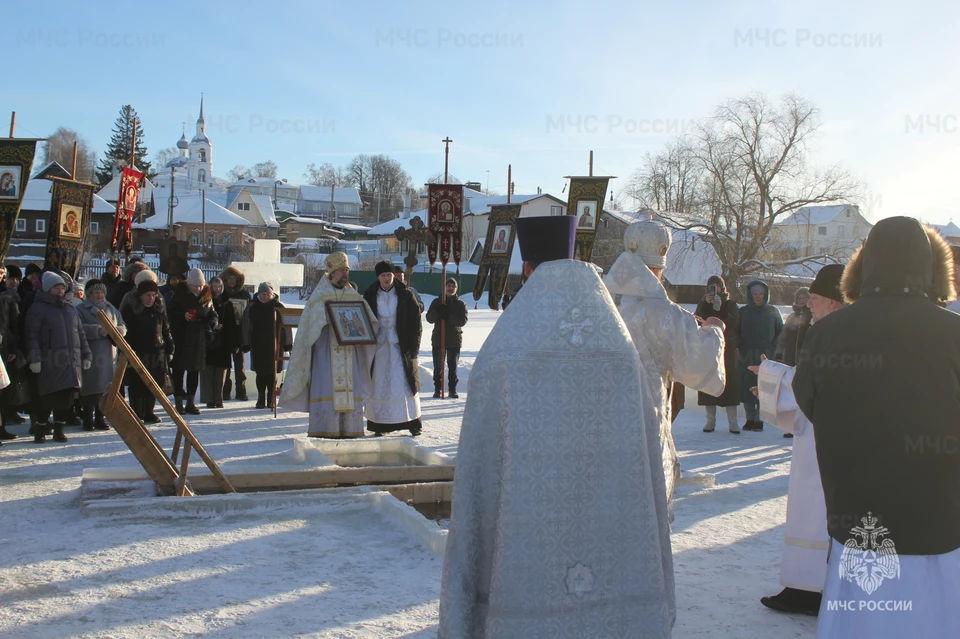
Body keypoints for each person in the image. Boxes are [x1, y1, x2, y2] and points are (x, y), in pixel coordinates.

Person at [440, 215, 675, 638]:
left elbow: (480, 449)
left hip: (528, 511)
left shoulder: (507, 344)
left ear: (528, 268)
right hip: (608, 507)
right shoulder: (616, 342)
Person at [793, 218, 960, 636]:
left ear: (864, 265)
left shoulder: (827, 333)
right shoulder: (953, 333)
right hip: (937, 517)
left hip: (860, 521)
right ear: (930, 266)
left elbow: (808, 399)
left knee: (861, 620)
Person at [604, 219, 726, 510]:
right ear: (658, 266)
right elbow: (699, 367)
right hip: (644, 423)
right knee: (643, 505)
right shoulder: (667, 314)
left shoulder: (598, 302)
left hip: (599, 426)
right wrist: (715, 331)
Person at [748, 265, 845, 616]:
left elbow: (814, 384)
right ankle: (811, 587)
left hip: (823, 440)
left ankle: (809, 590)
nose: (811, 305)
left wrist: (772, 375)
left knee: (814, 508)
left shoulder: (835, 331)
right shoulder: (839, 329)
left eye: (816, 299)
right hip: (828, 435)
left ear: (833, 301)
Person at [280, 252, 376, 438]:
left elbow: (369, 322)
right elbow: (309, 328)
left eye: (346, 270)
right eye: (341, 271)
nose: (345, 274)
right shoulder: (318, 298)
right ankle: (325, 429)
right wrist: (328, 318)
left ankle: (351, 429)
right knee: (327, 388)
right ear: (331, 272)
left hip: (350, 351)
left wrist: (361, 331)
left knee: (351, 389)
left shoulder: (353, 295)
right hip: (326, 351)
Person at [24, 272, 91, 443]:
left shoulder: (69, 308)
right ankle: (40, 428)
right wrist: (35, 359)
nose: (60, 290)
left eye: (62, 287)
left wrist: (86, 355)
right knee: (47, 397)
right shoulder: (38, 308)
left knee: (65, 398)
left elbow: (80, 333)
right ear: (48, 288)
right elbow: (31, 335)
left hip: (70, 361)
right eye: (56, 287)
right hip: (49, 360)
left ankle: (59, 430)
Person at [362, 261, 423, 437]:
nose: (387, 278)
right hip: (379, 346)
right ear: (378, 277)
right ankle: (379, 424)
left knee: (403, 383)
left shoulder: (405, 294)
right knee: (379, 383)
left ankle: (413, 422)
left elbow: (416, 322)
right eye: (383, 275)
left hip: (400, 346)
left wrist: (414, 348)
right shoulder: (370, 294)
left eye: (389, 275)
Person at [75, 279, 126, 431]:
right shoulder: (81, 309)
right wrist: (96, 330)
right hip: (91, 352)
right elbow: (77, 327)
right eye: (96, 292)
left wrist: (118, 332)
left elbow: (123, 325)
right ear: (90, 294)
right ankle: (87, 419)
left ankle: (100, 418)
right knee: (90, 388)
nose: (99, 296)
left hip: (109, 354)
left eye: (101, 292)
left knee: (105, 388)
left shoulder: (111, 308)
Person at [121, 278, 174, 424]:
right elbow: (125, 332)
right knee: (137, 384)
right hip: (137, 352)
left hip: (157, 351)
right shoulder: (130, 310)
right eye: (147, 295)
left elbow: (166, 329)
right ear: (140, 295)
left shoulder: (159, 308)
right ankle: (137, 413)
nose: (151, 298)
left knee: (154, 383)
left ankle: (149, 412)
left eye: (153, 295)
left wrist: (170, 347)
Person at [168, 268, 218, 415]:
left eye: (201, 286)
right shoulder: (178, 296)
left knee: (194, 372)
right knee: (178, 371)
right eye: (196, 286)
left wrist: (212, 323)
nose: (199, 288)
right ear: (189, 285)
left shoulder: (207, 298)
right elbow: (170, 313)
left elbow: (213, 315)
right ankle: (178, 402)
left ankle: (190, 402)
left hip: (198, 338)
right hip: (181, 337)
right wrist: (183, 316)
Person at [695, 275, 741, 434]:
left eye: (717, 286)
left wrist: (721, 309)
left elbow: (734, 323)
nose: (715, 289)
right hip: (709, 348)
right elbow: (698, 320)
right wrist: (705, 305)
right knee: (708, 381)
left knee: (730, 384)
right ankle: (710, 420)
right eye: (711, 286)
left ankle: (733, 422)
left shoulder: (731, 304)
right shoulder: (703, 304)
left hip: (727, 349)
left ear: (723, 287)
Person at [738, 279, 783, 431]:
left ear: (766, 295)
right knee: (747, 388)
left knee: (763, 387)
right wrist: (741, 345)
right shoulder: (743, 312)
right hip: (747, 355)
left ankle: (759, 419)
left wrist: (773, 345)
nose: (758, 297)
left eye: (761, 294)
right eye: (755, 294)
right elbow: (736, 331)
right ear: (750, 296)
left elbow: (780, 331)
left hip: (766, 355)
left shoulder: (772, 311)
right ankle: (749, 418)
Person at [242, 282, 292, 409]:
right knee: (260, 373)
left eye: (268, 294)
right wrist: (246, 343)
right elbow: (246, 326)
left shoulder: (279, 307)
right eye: (263, 294)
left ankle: (271, 398)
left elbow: (286, 327)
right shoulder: (252, 307)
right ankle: (260, 398)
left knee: (272, 373)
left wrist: (287, 345)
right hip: (258, 344)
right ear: (258, 294)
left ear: (272, 294)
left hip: (275, 344)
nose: (265, 296)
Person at [426, 277, 468, 399]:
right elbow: (429, 318)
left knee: (452, 367)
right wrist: (438, 312)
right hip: (439, 339)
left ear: (456, 288)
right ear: (444, 287)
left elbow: (462, 320)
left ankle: (452, 390)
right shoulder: (437, 302)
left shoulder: (460, 304)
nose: (450, 288)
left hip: (454, 340)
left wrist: (448, 316)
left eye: (453, 286)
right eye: (448, 286)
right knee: (438, 366)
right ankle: (437, 389)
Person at [200, 276, 236, 409]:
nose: (217, 289)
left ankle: (219, 398)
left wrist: (234, 343)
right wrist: (212, 326)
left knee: (221, 372)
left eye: (219, 286)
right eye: (214, 287)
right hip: (208, 340)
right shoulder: (204, 301)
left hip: (223, 342)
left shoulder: (228, 304)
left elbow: (233, 324)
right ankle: (209, 399)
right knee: (208, 371)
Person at [219, 265, 251, 401]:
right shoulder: (221, 294)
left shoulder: (244, 294)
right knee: (226, 365)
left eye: (234, 278)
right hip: (225, 333)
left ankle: (241, 390)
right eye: (229, 278)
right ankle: (226, 391)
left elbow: (248, 313)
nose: (232, 281)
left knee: (240, 365)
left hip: (239, 333)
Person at [0, 268, 21, 439]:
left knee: (3, 389)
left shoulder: (8, 295)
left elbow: (15, 323)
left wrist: (14, 348)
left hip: (4, 347)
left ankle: (2, 427)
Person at [775, 286, 812, 366]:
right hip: (789, 357)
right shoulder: (792, 317)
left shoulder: (813, 316)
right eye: (799, 298)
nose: (802, 300)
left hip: (807, 358)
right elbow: (783, 338)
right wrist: (779, 353)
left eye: (805, 297)